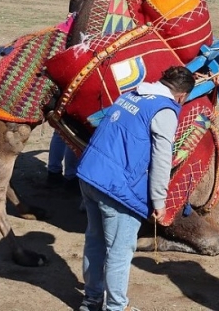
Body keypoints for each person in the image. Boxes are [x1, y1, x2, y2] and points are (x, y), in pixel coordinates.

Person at [76, 66, 195, 311]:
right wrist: (159, 201)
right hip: (117, 187)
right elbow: (162, 158)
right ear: (181, 96)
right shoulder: (165, 110)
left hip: (90, 174)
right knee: (119, 251)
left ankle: (91, 300)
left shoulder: (131, 94)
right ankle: (116, 307)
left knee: (95, 241)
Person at [46, 0, 88, 191]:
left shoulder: (59, 30)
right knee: (73, 132)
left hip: (56, 87)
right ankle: (70, 176)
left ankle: (53, 171)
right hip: (71, 87)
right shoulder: (79, 33)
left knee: (58, 132)